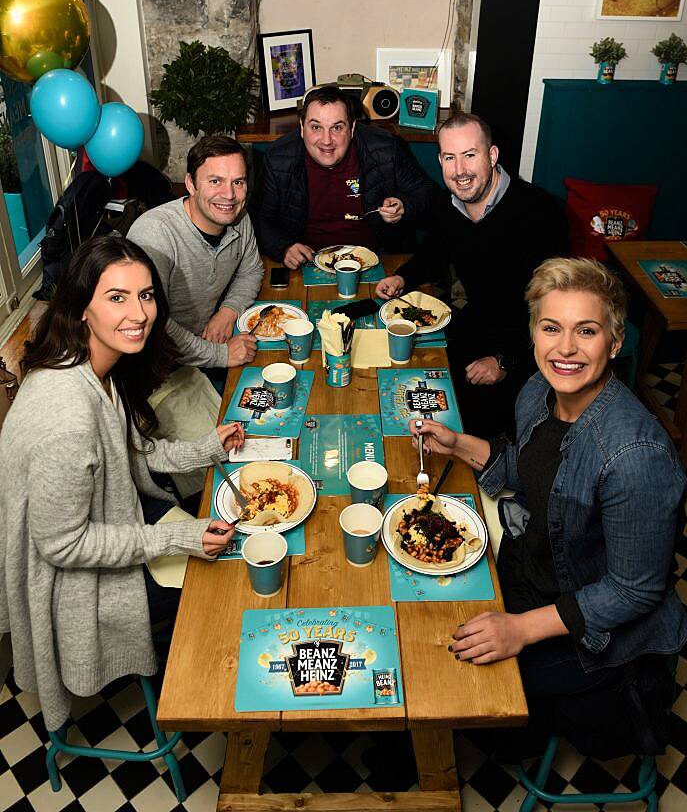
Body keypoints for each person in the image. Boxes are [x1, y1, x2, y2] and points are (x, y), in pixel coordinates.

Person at [411, 257, 687, 757]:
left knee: (450, 679)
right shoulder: (539, 391)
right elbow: (535, 472)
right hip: (532, 571)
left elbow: (633, 591)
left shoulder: (634, 458)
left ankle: (511, 741)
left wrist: (519, 628)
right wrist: (459, 444)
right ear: (534, 334)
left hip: (594, 634)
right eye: (551, 328)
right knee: (420, 618)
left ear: (616, 341)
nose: (565, 348)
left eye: (586, 331)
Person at [0, 236, 244, 734]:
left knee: (220, 536)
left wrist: (208, 445)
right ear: (81, 307)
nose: (139, 313)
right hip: (70, 581)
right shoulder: (67, 418)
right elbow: (64, 544)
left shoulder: (92, 367)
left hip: (115, 519)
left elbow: (137, 454)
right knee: (223, 580)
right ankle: (207, 695)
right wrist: (179, 538)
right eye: (117, 297)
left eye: (147, 295)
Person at [376, 112, 568, 436]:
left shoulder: (540, 213)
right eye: (450, 158)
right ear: (440, 160)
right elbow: (434, 252)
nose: (460, 171)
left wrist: (504, 362)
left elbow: (556, 313)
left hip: (532, 347)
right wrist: (403, 278)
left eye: (470, 155)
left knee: (469, 431)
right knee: (405, 385)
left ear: (492, 156)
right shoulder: (450, 205)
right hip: (478, 325)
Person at [250, 85, 439, 269]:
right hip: (306, 264)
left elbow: (429, 195)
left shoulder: (386, 149)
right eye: (316, 127)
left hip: (378, 260)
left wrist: (404, 205)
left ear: (352, 128)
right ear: (301, 128)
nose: (326, 140)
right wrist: (283, 248)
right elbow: (260, 219)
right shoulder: (278, 158)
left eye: (337, 128)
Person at [128, 135, 263, 369]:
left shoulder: (239, 217)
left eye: (238, 182)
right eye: (215, 181)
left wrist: (228, 312)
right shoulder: (154, 234)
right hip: (155, 365)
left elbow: (251, 271)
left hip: (208, 345)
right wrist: (220, 355)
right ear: (191, 184)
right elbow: (150, 321)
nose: (229, 195)